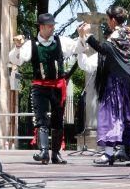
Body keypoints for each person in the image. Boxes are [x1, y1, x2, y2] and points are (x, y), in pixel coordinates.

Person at [77, 6, 130, 166]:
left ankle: (109, 154)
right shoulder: (127, 33)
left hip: (118, 83)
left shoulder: (116, 35)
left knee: (111, 115)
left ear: (113, 20)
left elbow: (104, 50)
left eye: (108, 19)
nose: (108, 23)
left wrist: (87, 35)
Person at [9, 13, 78, 164]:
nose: (53, 28)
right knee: (41, 118)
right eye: (49, 26)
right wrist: (18, 47)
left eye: (53, 25)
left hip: (58, 86)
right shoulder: (30, 44)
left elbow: (78, 47)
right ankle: (44, 152)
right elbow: (16, 60)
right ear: (41, 27)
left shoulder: (61, 41)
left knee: (58, 119)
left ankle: (56, 154)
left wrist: (83, 36)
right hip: (40, 86)